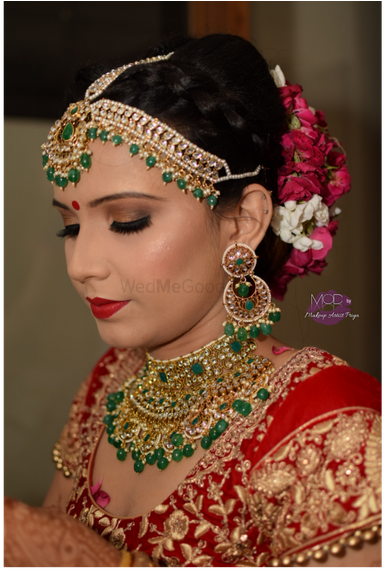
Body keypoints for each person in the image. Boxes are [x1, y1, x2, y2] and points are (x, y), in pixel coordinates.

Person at [3, 33, 381, 569]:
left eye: (128, 221)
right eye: (70, 227)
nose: (81, 264)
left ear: (243, 221)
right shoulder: (113, 381)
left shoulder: (331, 426)